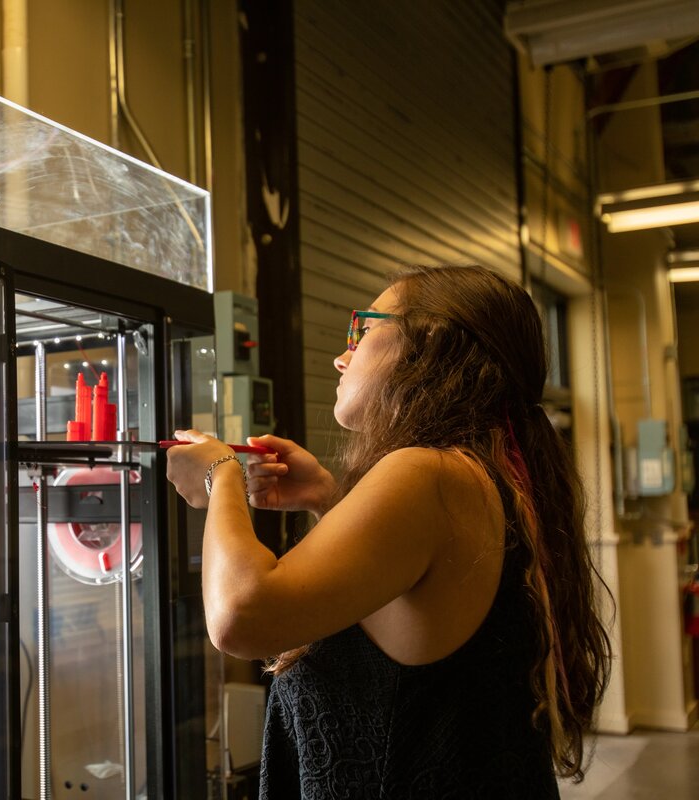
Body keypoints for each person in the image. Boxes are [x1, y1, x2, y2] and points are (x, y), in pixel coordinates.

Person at [166, 265, 610, 798]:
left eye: (364, 328)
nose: (341, 355)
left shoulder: (428, 473)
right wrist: (327, 498)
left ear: (430, 342)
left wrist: (220, 476)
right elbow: (414, 610)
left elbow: (240, 615)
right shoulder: (479, 475)